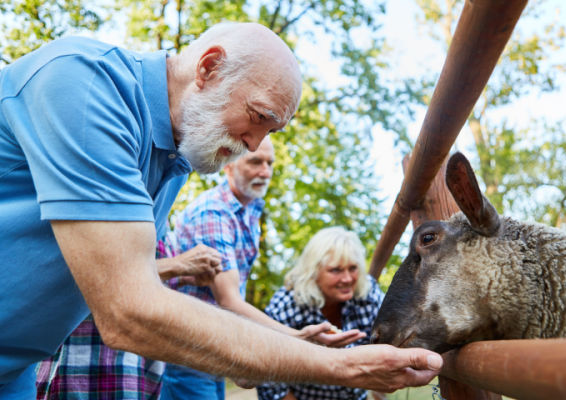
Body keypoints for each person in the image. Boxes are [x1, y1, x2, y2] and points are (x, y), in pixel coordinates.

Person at [0, 20, 443, 399]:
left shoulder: (173, 159)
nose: (254, 143)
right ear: (209, 67)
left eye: (271, 130)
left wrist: (283, 342)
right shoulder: (85, 81)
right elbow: (127, 308)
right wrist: (347, 367)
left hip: (14, 369)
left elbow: (122, 276)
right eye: (257, 116)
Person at [160, 138, 365, 400]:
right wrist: (295, 337)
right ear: (228, 165)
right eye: (255, 161)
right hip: (187, 346)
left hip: (210, 344)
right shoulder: (215, 213)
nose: (265, 172)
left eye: (269, 163)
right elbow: (229, 300)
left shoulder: (248, 212)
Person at [35, 241, 222, 399]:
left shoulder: (157, 218)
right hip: (84, 375)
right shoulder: (98, 205)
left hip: (136, 375)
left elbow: (141, 283)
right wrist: (176, 265)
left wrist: (181, 278)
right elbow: (88, 273)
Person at [257, 227, 385, 400]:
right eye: (336, 270)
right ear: (314, 272)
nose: (347, 278)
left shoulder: (367, 292)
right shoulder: (288, 304)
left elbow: (386, 343)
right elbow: (268, 377)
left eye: (353, 268)